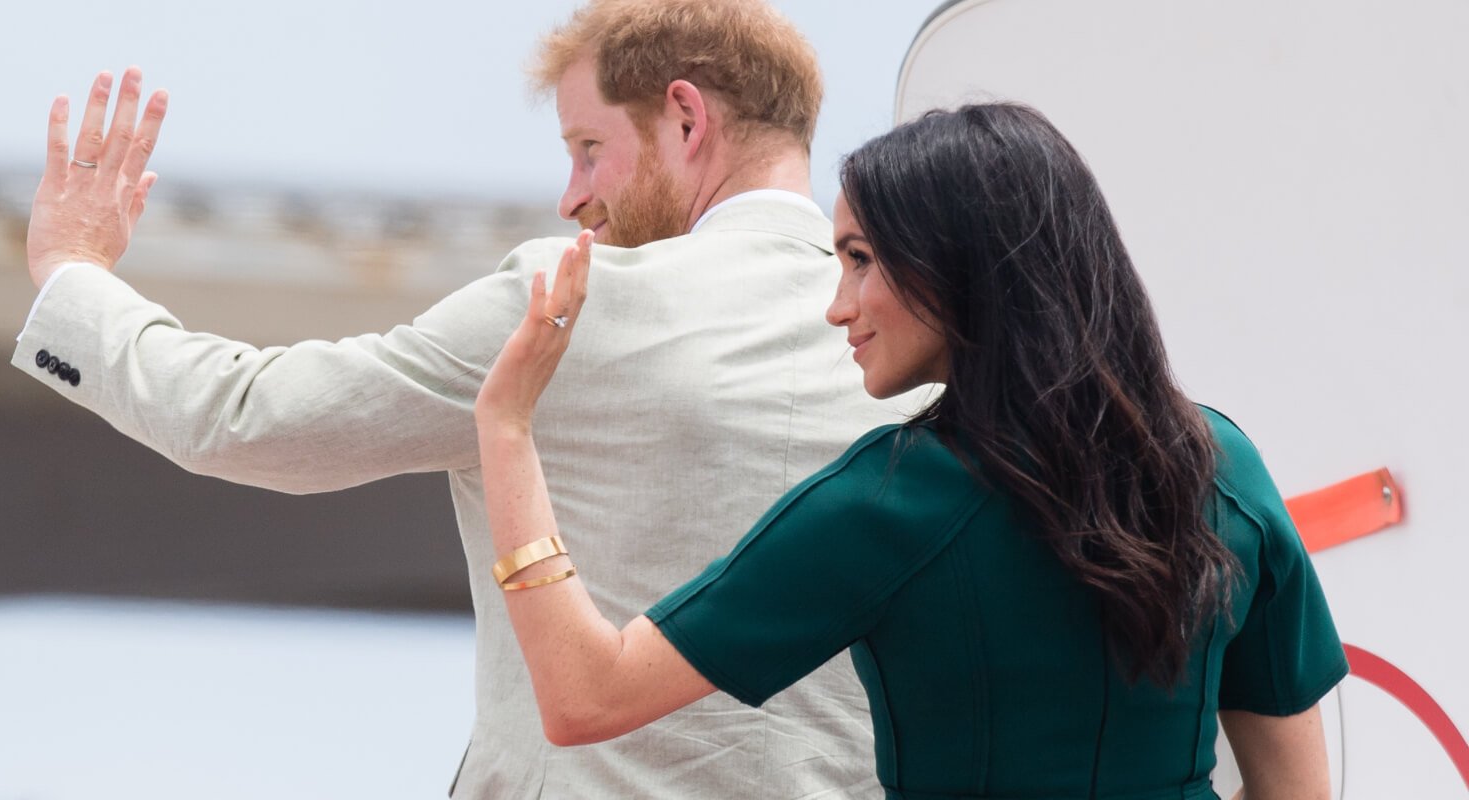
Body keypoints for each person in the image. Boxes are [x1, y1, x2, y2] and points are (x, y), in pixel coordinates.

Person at [15, 1, 910, 796]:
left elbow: (245, 416)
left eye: (589, 149)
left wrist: (73, 276)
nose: (573, 198)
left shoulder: (568, 306)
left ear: (685, 117)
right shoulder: (926, 355)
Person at [474, 103, 1347, 800]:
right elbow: (1300, 793)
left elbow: (586, 695)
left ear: (958, 265)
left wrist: (506, 428)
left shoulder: (887, 503)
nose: (838, 305)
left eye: (859, 260)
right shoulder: (1221, 467)